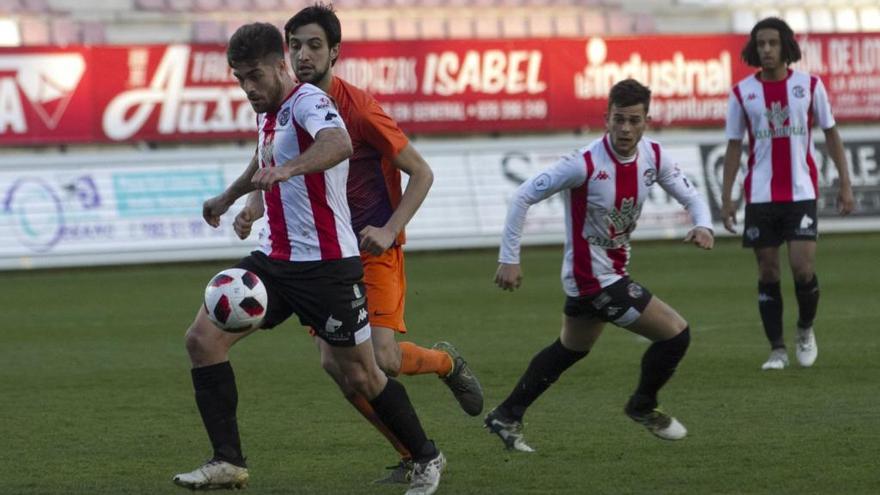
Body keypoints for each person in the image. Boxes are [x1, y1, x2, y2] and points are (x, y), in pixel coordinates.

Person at [172, 22, 445, 495]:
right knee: (202, 340)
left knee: (359, 373)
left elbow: (337, 144)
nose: (248, 88)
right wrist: (228, 197)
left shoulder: (310, 102)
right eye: (240, 79)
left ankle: (426, 457)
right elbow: (263, 160)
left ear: (280, 65)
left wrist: (290, 169)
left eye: (255, 76)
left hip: (327, 265)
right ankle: (227, 461)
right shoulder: (269, 111)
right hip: (276, 261)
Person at [232, 4, 482, 486]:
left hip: (371, 249)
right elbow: (276, 166)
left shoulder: (360, 109)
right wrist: (252, 208)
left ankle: (446, 363)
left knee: (382, 360)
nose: (303, 55)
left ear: (335, 53)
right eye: (295, 46)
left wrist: (389, 230)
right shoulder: (283, 106)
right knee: (339, 366)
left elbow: (422, 172)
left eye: (314, 46)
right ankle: (413, 455)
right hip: (323, 256)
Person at [485, 78, 714, 452]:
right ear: (605, 118)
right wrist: (509, 258)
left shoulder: (654, 156)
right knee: (676, 334)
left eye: (634, 121)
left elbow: (691, 196)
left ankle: (507, 414)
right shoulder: (585, 162)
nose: (625, 129)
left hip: (608, 272)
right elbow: (523, 196)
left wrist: (702, 224)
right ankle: (642, 405)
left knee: (569, 350)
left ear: (646, 121)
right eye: (618, 120)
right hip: (593, 280)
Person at [720, 17, 854, 371]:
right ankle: (777, 349)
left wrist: (844, 183)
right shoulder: (741, 93)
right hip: (760, 196)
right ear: (754, 48)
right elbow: (734, 147)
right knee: (768, 272)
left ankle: (805, 329)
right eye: (761, 43)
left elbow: (831, 133)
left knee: (802, 267)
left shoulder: (810, 86)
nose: (766, 49)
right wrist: (727, 197)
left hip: (800, 192)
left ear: (786, 47)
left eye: (772, 43)